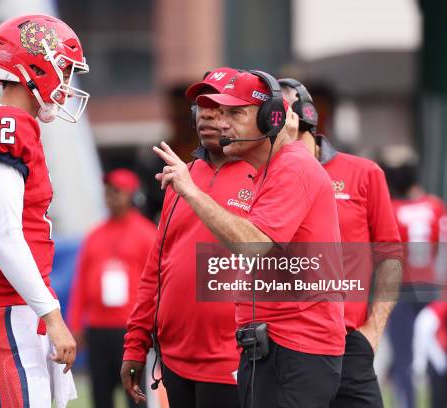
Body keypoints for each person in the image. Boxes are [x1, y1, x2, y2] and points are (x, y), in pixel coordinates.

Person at [153, 70, 345, 408]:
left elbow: (253, 244)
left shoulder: (293, 167)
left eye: (235, 113)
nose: (221, 123)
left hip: (295, 350)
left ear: (270, 117)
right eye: (219, 112)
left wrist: (191, 191)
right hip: (273, 345)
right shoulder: (271, 169)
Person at [0, 14, 89, 407]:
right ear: (37, 65)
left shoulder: (13, 125)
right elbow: (5, 234)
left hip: (11, 308)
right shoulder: (3, 124)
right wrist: (53, 315)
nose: (65, 83)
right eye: (64, 69)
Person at [121, 67, 253, 408]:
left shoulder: (267, 175)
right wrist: (136, 344)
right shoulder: (182, 175)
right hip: (175, 360)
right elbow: (156, 268)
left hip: (235, 360)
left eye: (219, 106)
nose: (207, 113)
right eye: (202, 105)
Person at [279, 78, 403, 408]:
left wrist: (373, 329)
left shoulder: (363, 173)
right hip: (289, 344)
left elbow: (390, 254)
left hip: (349, 341)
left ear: (301, 116)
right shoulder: (263, 179)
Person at [67, 168, 156, 408]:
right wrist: (75, 324)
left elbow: (158, 282)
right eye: (107, 191)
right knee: (101, 395)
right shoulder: (94, 235)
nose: (110, 196)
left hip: (130, 330)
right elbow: (81, 283)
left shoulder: (147, 234)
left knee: (135, 397)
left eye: (117, 191)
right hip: (97, 328)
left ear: (132, 195)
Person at [381, 153, 445, 408]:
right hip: (431, 286)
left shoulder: (392, 210)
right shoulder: (435, 205)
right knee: (433, 349)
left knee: (403, 357)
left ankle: (406, 403)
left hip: (402, 289)